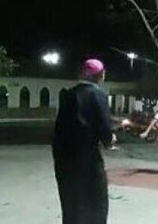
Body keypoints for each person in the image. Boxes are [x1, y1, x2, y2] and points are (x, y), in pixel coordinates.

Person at [52, 59, 116, 224]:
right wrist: (109, 140)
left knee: (71, 204)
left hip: (65, 161)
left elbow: (59, 130)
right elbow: (105, 128)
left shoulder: (67, 95)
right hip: (89, 161)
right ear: (100, 75)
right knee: (96, 204)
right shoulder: (98, 95)